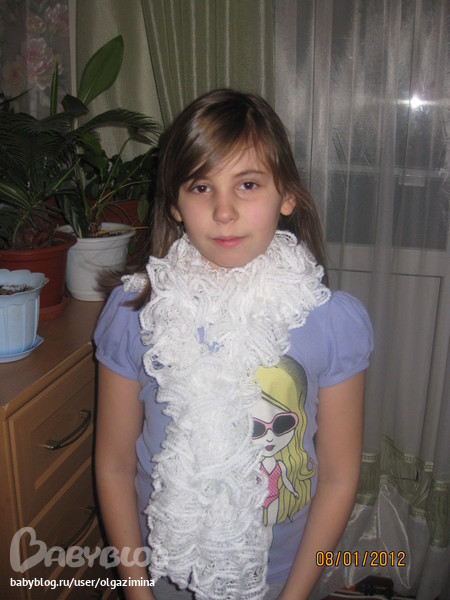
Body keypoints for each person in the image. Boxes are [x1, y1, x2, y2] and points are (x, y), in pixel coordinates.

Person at [94, 89, 374, 600]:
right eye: (201, 187)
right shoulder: (135, 314)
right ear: (175, 205)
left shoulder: (332, 322)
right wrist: (136, 591)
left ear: (286, 196)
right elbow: (114, 465)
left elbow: (338, 476)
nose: (224, 211)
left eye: (248, 184)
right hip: (165, 570)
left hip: (285, 576)